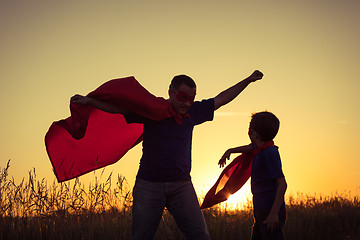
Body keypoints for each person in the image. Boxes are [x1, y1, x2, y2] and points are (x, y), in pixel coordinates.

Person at [70, 70, 263, 240]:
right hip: (149, 186)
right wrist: (90, 101)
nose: (187, 103)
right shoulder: (153, 108)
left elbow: (221, 99)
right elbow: (121, 109)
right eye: (182, 97)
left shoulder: (194, 112)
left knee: (200, 235)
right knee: (141, 236)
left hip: (181, 186)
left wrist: (248, 80)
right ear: (171, 92)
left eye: (192, 98)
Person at [218, 111, 287, 240]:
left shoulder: (269, 153)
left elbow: (282, 184)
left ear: (253, 134)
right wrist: (230, 151)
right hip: (261, 208)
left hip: (270, 210)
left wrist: (274, 213)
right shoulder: (261, 149)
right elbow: (250, 148)